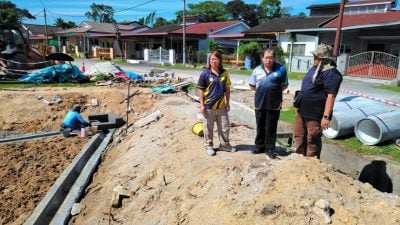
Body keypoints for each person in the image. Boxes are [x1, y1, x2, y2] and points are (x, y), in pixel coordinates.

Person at [294, 44, 342, 158]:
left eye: (317, 57)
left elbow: (331, 96)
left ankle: (312, 165)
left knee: (312, 139)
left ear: (324, 59)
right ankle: (299, 161)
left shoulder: (332, 73)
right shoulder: (315, 68)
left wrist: (325, 117)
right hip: (303, 110)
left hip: (316, 114)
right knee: (299, 135)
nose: (314, 59)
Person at [249, 48, 288, 158]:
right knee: (260, 125)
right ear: (262, 58)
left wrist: (273, 93)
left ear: (274, 58)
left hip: (274, 104)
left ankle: (270, 148)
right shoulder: (256, 70)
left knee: (271, 126)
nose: (269, 60)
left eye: (271, 58)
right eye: (266, 58)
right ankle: (259, 146)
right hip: (259, 102)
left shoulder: (281, 69)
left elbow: (284, 85)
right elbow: (252, 85)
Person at [197, 51, 234, 156]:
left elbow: (227, 89)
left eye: (216, 59)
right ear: (209, 60)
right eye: (212, 59)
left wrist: (228, 103)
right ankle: (209, 145)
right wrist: (202, 104)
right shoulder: (205, 73)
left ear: (220, 60)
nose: (214, 61)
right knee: (208, 127)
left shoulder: (225, 73)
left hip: (222, 106)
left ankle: (224, 145)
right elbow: (200, 89)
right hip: (209, 106)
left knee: (224, 126)